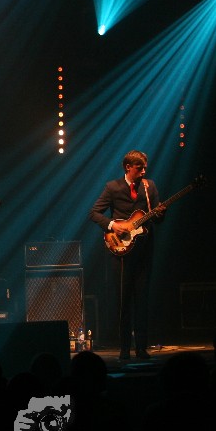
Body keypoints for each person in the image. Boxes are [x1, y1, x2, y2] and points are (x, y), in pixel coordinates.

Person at [89, 149, 165, 361]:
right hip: (121, 252)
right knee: (124, 301)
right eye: (139, 168)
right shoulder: (113, 187)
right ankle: (124, 348)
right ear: (128, 167)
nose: (143, 171)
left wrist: (161, 213)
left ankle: (141, 347)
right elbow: (94, 212)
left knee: (142, 300)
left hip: (144, 250)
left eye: (145, 168)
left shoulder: (150, 187)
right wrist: (113, 225)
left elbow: (157, 219)